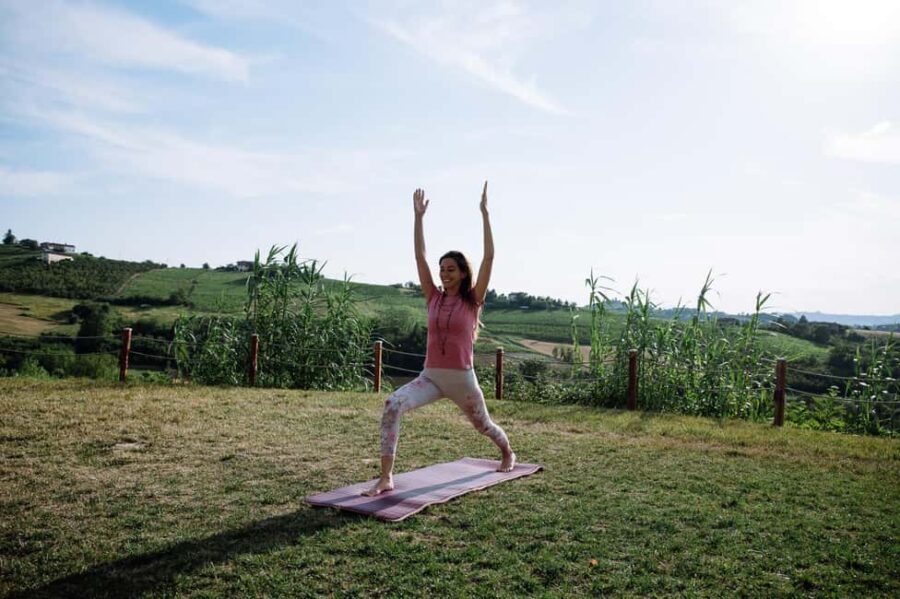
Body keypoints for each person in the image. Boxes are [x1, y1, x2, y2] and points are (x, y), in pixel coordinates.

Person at [363, 182, 516, 497]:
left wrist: (485, 214)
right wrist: (418, 218)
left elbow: (489, 258)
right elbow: (419, 256)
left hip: (462, 380)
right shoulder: (432, 297)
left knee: (484, 426)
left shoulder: (472, 301)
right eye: (441, 269)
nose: (444, 273)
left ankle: (507, 452)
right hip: (431, 377)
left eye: (450, 269)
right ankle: (386, 477)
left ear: (461, 273)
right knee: (392, 405)